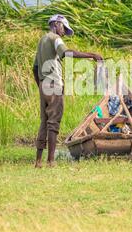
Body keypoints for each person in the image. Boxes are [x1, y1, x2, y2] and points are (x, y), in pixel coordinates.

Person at [33, 14, 103, 167]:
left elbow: (35, 68)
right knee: (54, 123)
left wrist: (41, 86)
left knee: (44, 122)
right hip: (54, 85)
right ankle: (51, 161)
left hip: (44, 85)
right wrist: (92, 55)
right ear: (57, 24)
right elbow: (66, 53)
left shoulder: (42, 41)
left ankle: (38, 161)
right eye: (64, 28)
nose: (64, 32)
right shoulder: (54, 38)